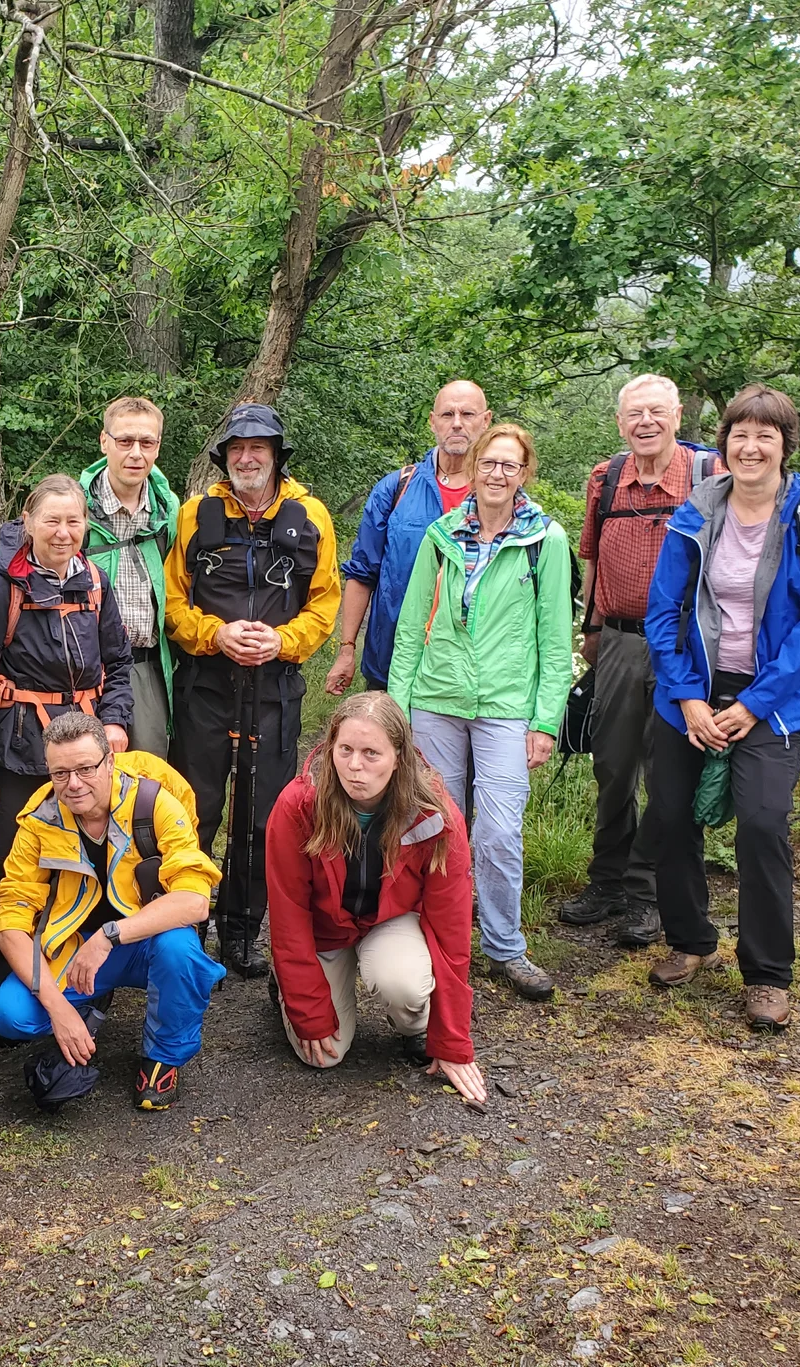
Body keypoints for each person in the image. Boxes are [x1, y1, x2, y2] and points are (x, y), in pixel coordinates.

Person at [639, 385, 800, 1031]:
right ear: (724, 443)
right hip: (694, 692)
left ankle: (767, 974)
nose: (751, 447)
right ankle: (691, 940)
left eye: (765, 435)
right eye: (740, 434)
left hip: (775, 700)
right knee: (668, 816)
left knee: (762, 823)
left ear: (786, 445)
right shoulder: (697, 510)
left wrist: (755, 703)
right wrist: (687, 696)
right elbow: (662, 610)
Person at [387, 423, 570, 1002]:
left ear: (524, 473)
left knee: (498, 831)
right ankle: (436, 937)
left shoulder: (544, 541)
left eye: (509, 465)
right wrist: (396, 711)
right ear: (474, 467)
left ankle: (504, 946)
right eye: (489, 463)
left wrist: (545, 721)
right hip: (436, 699)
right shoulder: (441, 534)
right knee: (433, 825)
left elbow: (555, 639)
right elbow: (411, 626)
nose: (497, 474)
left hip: (506, 706)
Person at [164, 403, 340, 978]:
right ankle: (187, 929)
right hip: (206, 685)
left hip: (274, 688)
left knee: (263, 819)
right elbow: (173, 601)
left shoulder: (311, 516)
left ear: (276, 456)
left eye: (257, 448)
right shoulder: (195, 514)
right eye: (237, 449)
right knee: (195, 810)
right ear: (225, 458)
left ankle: (241, 932)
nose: (246, 458)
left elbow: (325, 603)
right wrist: (214, 634)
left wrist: (282, 641)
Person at [0, 712, 223, 1109]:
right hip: (74, 947)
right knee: (7, 1015)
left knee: (180, 951)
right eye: (60, 774)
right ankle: (87, 998)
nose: (73, 784)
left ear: (109, 761)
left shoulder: (154, 803)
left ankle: (163, 1056)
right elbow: (11, 921)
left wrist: (109, 936)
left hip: (145, 943)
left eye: (85, 769)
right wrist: (58, 1009)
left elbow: (194, 901)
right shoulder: (40, 819)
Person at [562, 374, 725, 949]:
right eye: (635, 413)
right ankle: (607, 882)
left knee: (669, 772)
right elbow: (591, 558)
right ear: (620, 422)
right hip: (621, 641)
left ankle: (648, 893)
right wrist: (591, 630)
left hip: (689, 645)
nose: (646, 422)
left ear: (677, 416)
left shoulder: (710, 476)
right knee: (613, 765)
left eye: (657, 411)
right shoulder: (605, 480)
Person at [265, 693, 487, 1105]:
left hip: (391, 922)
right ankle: (285, 984)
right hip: (323, 931)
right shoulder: (299, 805)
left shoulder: (435, 814)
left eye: (371, 753)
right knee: (324, 1055)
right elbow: (288, 914)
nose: (355, 766)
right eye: (345, 750)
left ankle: (415, 1025)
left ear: (399, 757)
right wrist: (307, 1009)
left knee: (403, 984)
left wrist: (451, 1040)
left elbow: (451, 930)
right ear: (331, 748)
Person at [0, 475, 135, 993]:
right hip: (19, 752)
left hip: (85, 750)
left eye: (73, 521)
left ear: (87, 525)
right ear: (28, 522)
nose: (63, 532)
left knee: (84, 860)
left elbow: (118, 663)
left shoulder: (95, 582)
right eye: (52, 520)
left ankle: (77, 976)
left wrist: (115, 720)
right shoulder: (1, 590)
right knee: (12, 869)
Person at [329, 381, 491, 695]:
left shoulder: (500, 496)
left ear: (486, 421)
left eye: (468, 414)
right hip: (391, 665)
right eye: (448, 414)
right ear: (433, 421)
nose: (457, 423)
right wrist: (347, 650)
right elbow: (362, 573)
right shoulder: (397, 488)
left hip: (472, 676)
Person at [81, 396, 182, 755]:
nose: (136, 453)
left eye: (146, 442)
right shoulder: (74, 511)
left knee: (144, 775)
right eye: (125, 441)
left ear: (158, 447)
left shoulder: (168, 512)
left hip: (145, 667)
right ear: (104, 441)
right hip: (82, 671)